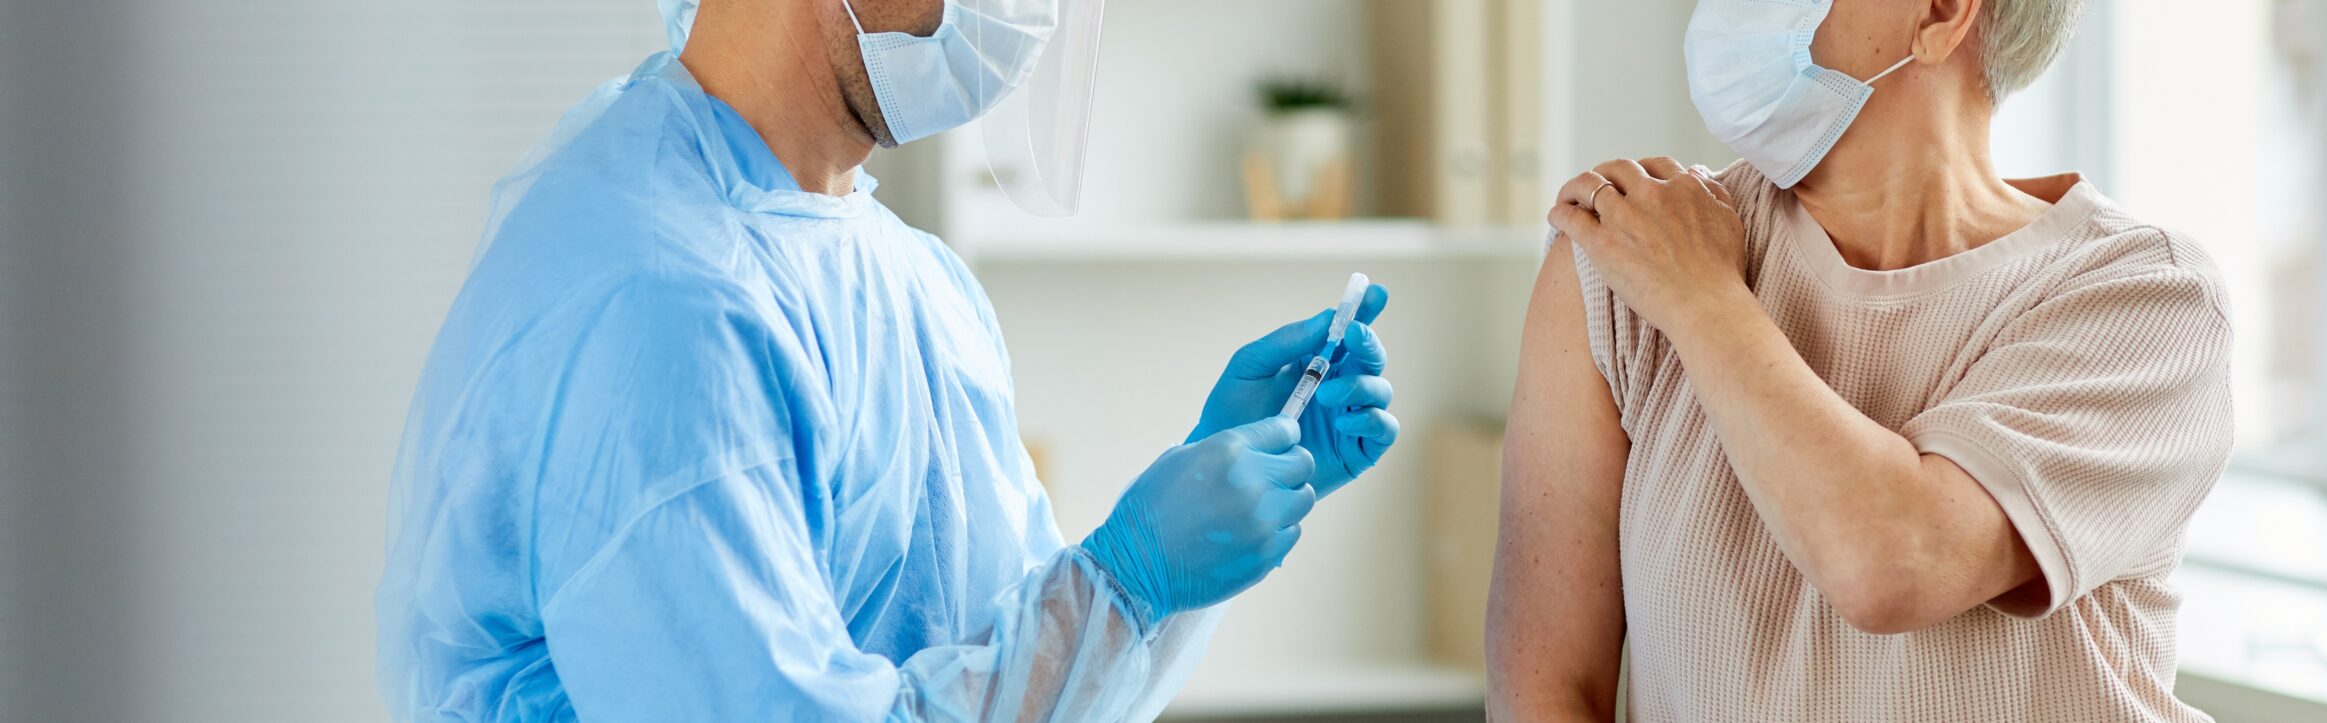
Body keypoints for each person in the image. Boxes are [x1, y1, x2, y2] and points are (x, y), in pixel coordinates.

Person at [372, 0, 1402, 720]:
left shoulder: (908, 278)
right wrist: (1129, 579)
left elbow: (1017, 677)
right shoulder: (661, 304)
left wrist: (1185, 543)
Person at [1488, 0, 2231, 720]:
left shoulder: (2146, 297)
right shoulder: (1621, 258)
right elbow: (1547, 691)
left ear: (1940, 13)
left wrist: (1704, 299)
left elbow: (1891, 564)